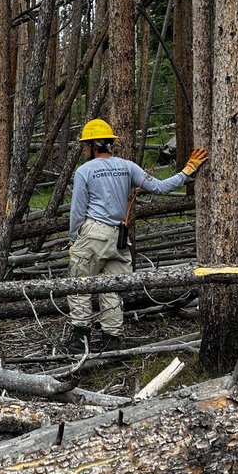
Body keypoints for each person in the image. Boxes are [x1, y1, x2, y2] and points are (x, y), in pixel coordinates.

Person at [66, 119, 208, 353]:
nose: (83, 150)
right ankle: (112, 340)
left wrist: (73, 240)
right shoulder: (128, 166)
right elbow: (161, 187)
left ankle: (80, 340)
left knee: (79, 285)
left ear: (93, 145)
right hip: (119, 238)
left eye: (84, 146)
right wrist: (187, 171)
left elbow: (77, 211)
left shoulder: (84, 171)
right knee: (111, 289)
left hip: (93, 234)